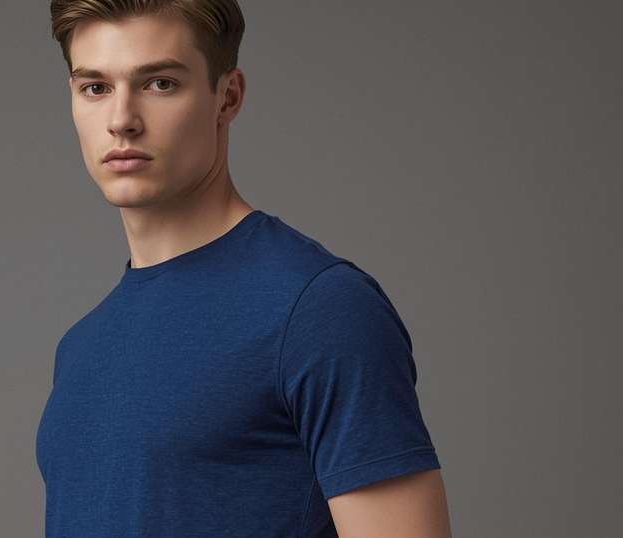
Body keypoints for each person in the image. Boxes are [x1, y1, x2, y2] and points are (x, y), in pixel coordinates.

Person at [35, 1, 452, 536]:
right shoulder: (80, 347)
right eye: (95, 88)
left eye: (160, 84)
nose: (122, 121)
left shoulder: (320, 309)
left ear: (227, 96)